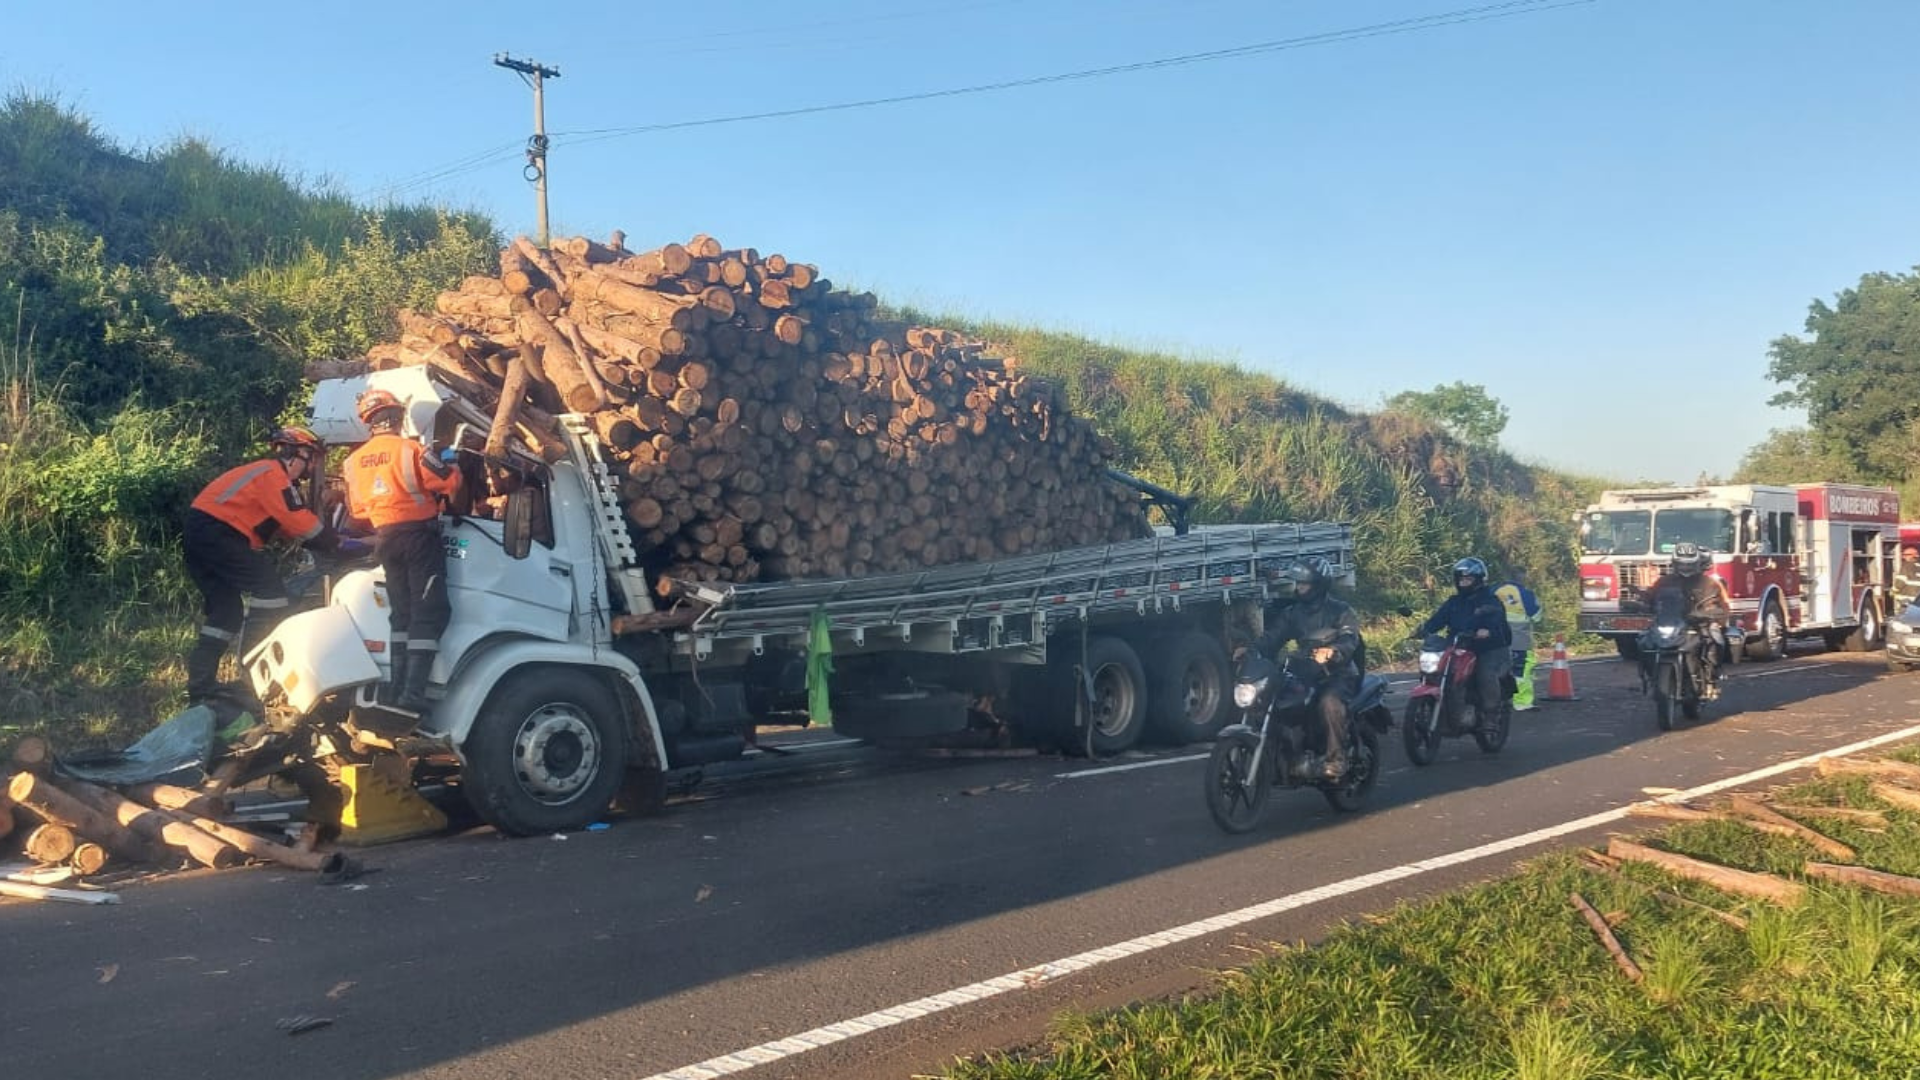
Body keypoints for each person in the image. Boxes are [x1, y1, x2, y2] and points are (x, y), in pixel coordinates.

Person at [182, 427, 360, 702]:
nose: (312, 467)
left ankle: (201, 688)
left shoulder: (266, 476)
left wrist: (325, 537)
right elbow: (299, 523)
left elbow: (292, 527)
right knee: (271, 592)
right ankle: (253, 668)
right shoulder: (273, 476)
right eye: (311, 459)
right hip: (217, 533)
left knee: (226, 612)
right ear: (295, 453)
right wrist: (337, 543)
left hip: (203, 534)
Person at [343, 388, 462, 712]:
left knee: (402, 614)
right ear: (397, 418)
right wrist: (452, 464)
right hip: (419, 539)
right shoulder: (413, 450)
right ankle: (413, 696)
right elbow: (451, 484)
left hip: (386, 540)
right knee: (430, 611)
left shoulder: (353, 462)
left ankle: (394, 692)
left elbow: (359, 513)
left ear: (369, 423)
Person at [1240, 557, 1362, 779]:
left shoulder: (1341, 611)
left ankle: (1337, 759)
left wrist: (1333, 652)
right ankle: (1288, 755)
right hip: (1303, 671)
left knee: (1329, 704)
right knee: (1274, 700)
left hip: (1337, 673)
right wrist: (1250, 650)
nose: (1299, 588)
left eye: (1304, 584)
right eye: (1297, 583)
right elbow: (1272, 637)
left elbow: (1349, 638)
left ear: (1318, 585)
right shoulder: (1292, 613)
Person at [1414, 556, 1513, 725]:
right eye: (1461, 579)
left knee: (1485, 674)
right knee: (1434, 671)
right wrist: (1423, 630)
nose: (1464, 582)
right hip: (1458, 646)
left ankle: (1491, 714)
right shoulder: (1454, 602)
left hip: (1488, 648)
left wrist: (1486, 630)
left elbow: (1495, 618)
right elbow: (1438, 619)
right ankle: (1444, 711)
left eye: (1468, 579)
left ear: (1479, 580)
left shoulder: (1489, 600)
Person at [1645, 541, 1731, 697]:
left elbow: (1723, 605)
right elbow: (1651, 598)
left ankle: (1712, 678)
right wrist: (1640, 603)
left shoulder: (1710, 583)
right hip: (1671, 622)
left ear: (1697, 563)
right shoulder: (1664, 581)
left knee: (1716, 639)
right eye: (1681, 564)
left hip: (1699, 623)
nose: (1685, 568)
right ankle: (1649, 678)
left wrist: (1714, 614)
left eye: (1689, 565)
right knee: (1643, 642)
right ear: (1674, 563)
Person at [1494, 570, 1544, 712]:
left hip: (1494, 640)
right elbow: (1537, 616)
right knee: (1521, 672)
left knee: (1494, 669)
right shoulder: (1526, 594)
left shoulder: (1494, 591)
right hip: (1519, 639)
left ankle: (1498, 700)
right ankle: (1521, 702)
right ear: (1522, 579)